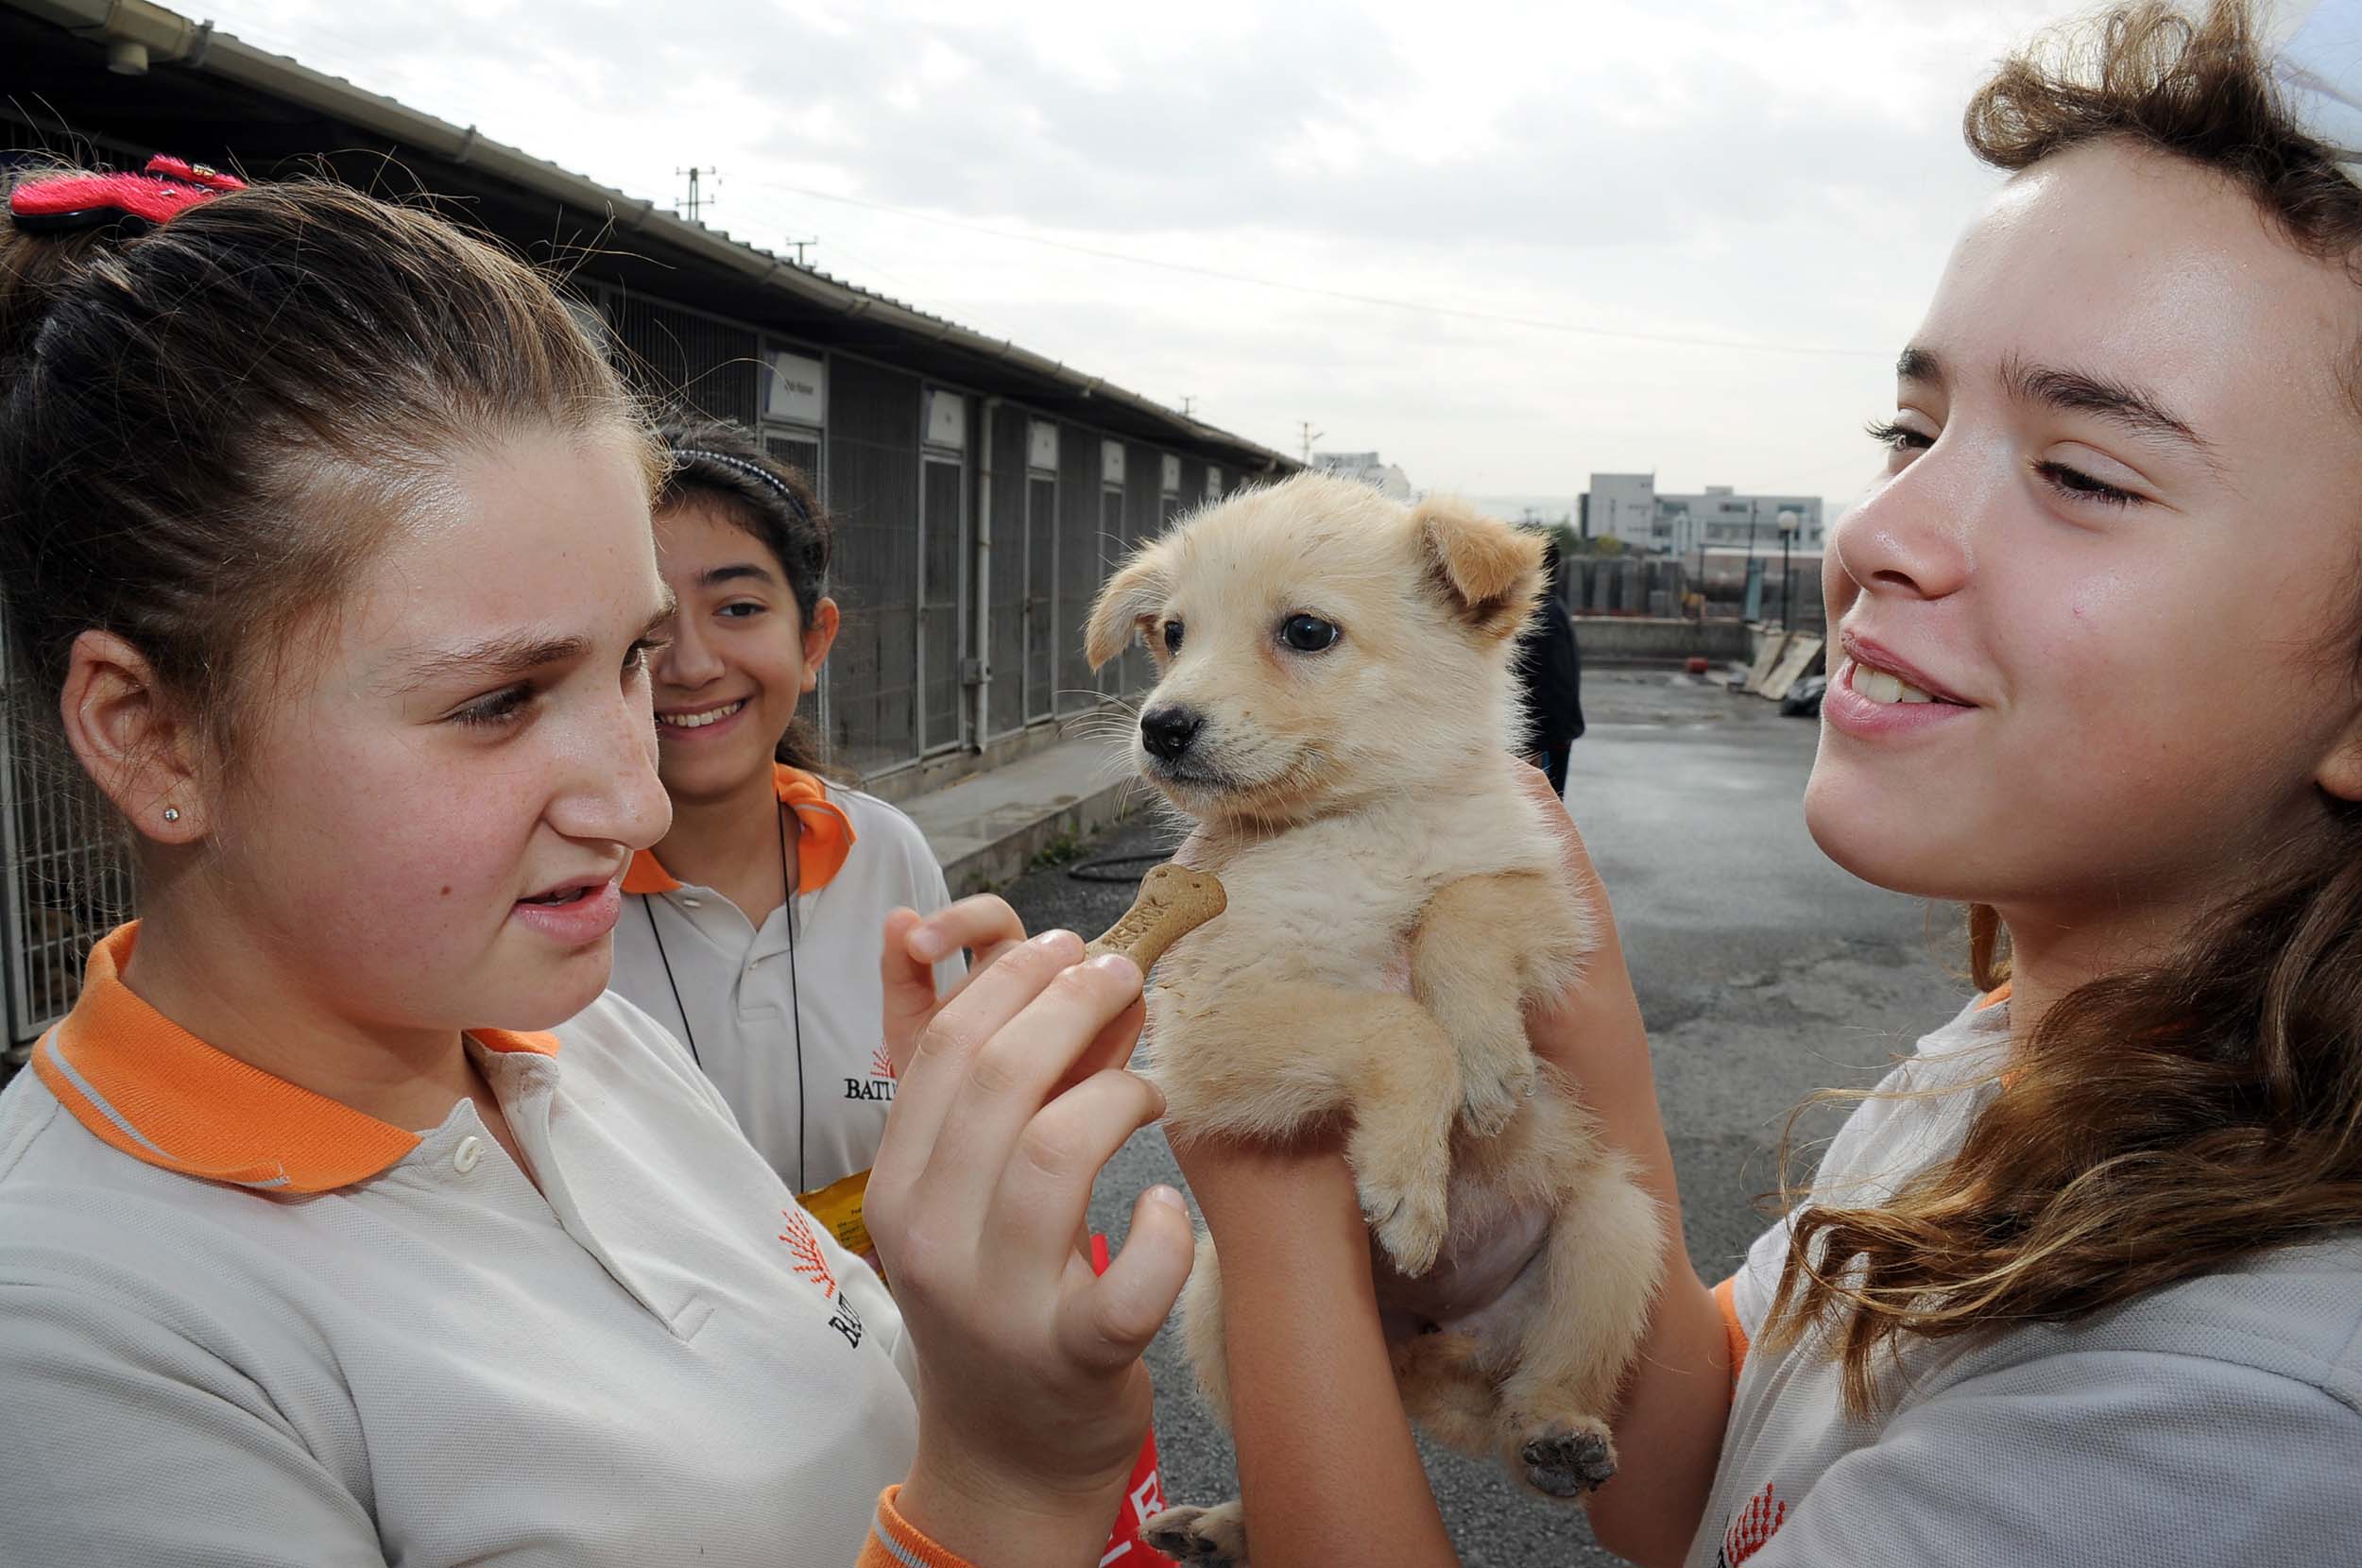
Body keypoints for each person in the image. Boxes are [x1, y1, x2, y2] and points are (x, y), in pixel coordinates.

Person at [857, 3, 2362, 1563]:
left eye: (2083, 474)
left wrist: (1040, 1439)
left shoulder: (2231, 1417)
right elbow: (1689, 1482)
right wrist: (1589, 1067)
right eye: (1907, 430)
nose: (1878, 534)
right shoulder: (1994, 1073)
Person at [0, 159, 1191, 1568]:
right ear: (154, 740)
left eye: (631, 661)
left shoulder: (592, 1050)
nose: (638, 800)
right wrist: (1003, 1491)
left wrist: (957, 1272)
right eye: (497, 702)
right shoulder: (73, 1339)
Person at [608, 418, 957, 1247]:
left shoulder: (890, 858)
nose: (689, 664)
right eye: (646, 623)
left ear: (813, 642)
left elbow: (954, 1140)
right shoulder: (541, 894)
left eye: (738, 607)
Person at [1515, 539, 1584, 795]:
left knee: (1542, 813)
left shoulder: (1540, 614)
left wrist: (1534, 739)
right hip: (1553, 733)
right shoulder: (1551, 606)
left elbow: (1549, 684)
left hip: (1545, 736)